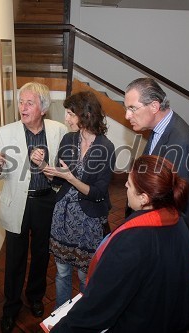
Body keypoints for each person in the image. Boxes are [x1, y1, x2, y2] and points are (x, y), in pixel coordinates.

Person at [51, 155, 189, 333]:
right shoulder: (181, 220)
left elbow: (101, 305)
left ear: (144, 198)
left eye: (130, 183)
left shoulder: (132, 240)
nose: (125, 185)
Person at [0, 82, 67, 333]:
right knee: (15, 258)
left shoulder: (58, 130)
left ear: (43, 108)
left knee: (41, 253)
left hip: (46, 199)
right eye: (21, 102)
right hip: (18, 204)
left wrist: (47, 166)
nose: (22, 108)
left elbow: (64, 170)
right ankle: (11, 307)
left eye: (29, 103)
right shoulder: (4, 132)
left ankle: (35, 297)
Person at [41, 91, 116, 308]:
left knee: (85, 277)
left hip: (89, 221)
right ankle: (61, 316)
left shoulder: (105, 147)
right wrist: (46, 170)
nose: (66, 119)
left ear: (85, 115)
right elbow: (58, 180)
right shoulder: (68, 139)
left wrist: (71, 178)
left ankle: (82, 318)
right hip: (62, 217)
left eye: (70, 114)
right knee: (62, 273)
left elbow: (98, 192)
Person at [124, 77, 189, 248]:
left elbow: (178, 202)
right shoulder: (159, 127)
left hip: (169, 237)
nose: (127, 115)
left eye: (132, 108)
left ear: (154, 106)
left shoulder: (181, 141)